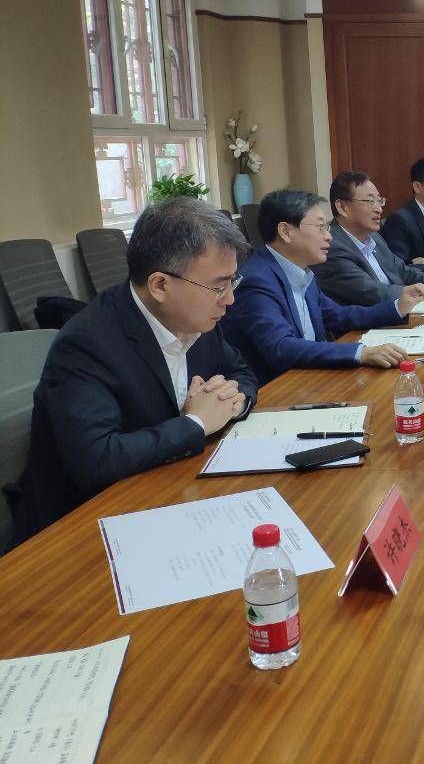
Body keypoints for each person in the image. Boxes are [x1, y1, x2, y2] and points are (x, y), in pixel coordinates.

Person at [9, 198, 258, 545]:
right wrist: (197, 424)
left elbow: (241, 372)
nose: (229, 299)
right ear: (160, 285)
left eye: (233, 282)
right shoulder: (86, 344)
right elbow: (96, 461)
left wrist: (232, 400)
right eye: (219, 286)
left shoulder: (197, 317)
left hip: (172, 487)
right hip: (85, 525)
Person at [222, 190, 424, 386]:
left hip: (312, 379)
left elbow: (338, 315)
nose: (329, 236)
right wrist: (361, 353)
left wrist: (397, 307)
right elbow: (281, 347)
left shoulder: (301, 271)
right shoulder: (257, 281)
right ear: (285, 231)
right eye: (320, 227)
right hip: (278, 392)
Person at [318, 170, 424, 306]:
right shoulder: (331, 247)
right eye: (370, 201)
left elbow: (402, 270)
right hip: (373, 319)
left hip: (401, 311)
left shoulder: (374, 237)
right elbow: (373, 293)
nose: (379, 209)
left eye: (379, 201)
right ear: (342, 207)